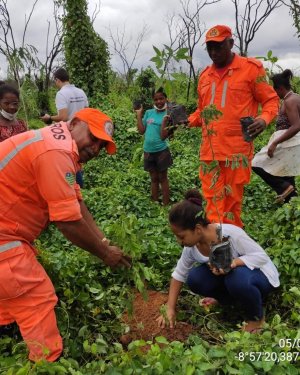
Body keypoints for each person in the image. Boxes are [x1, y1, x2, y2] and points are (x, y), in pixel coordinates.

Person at [0, 108, 131, 362]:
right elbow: (67, 222)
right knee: (35, 296)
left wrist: (104, 241)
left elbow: (76, 203)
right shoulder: (56, 152)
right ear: (74, 123)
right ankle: (47, 362)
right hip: (3, 236)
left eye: (101, 146)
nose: (95, 149)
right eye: (93, 139)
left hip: (8, 229)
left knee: (11, 293)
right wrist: (105, 254)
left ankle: (7, 333)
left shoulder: (57, 143)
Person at [188, 25, 279, 227]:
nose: (213, 52)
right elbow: (201, 112)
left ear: (230, 43)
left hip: (237, 154)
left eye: (218, 47)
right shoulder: (204, 76)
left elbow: (271, 101)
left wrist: (263, 119)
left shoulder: (251, 69)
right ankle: (217, 247)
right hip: (209, 152)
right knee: (212, 203)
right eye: (209, 48)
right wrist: (185, 121)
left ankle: (230, 246)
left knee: (231, 206)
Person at [157, 189, 279, 333]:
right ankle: (227, 301)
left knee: (236, 279)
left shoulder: (230, 234)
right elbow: (179, 274)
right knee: (196, 278)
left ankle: (256, 318)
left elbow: (261, 256)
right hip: (232, 279)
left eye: (181, 236)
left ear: (197, 229)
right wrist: (170, 308)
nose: (179, 241)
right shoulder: (192, 248)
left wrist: (233, 263)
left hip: (261, 277)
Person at [252, 69, 300, 203]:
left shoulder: (290, 101)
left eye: (274, 90)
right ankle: (291, 206)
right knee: (286, 173)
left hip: (290, 142)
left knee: (256, 163)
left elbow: (296, 125)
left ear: (279, 88)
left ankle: (284, 188)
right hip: (291, 142)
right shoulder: (294, 97)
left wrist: (275, 143)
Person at [40, 68, 89, 188]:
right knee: (77, 159)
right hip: (83, 132)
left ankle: (74, 187)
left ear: (57, 79)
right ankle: (79, 186)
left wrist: (49, 118)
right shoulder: (81, 92)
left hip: (70, 133)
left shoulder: (61, 94)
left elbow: (63, 116)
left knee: (68, 161)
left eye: (54, 80)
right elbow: (87, 111)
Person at [135, 88, 173, 205]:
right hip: (148, 151)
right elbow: (141, 131)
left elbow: (163, 136)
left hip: (161, 151)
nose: (159, 101)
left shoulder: (169, 114)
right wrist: (139, 115)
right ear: (153, 100)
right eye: (156, 99)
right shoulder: (149, 113)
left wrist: (164, 122)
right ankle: (155, 202)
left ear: (166, 99)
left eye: (161, 98)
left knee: (163, 178)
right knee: (153, 178)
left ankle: (166, 204)